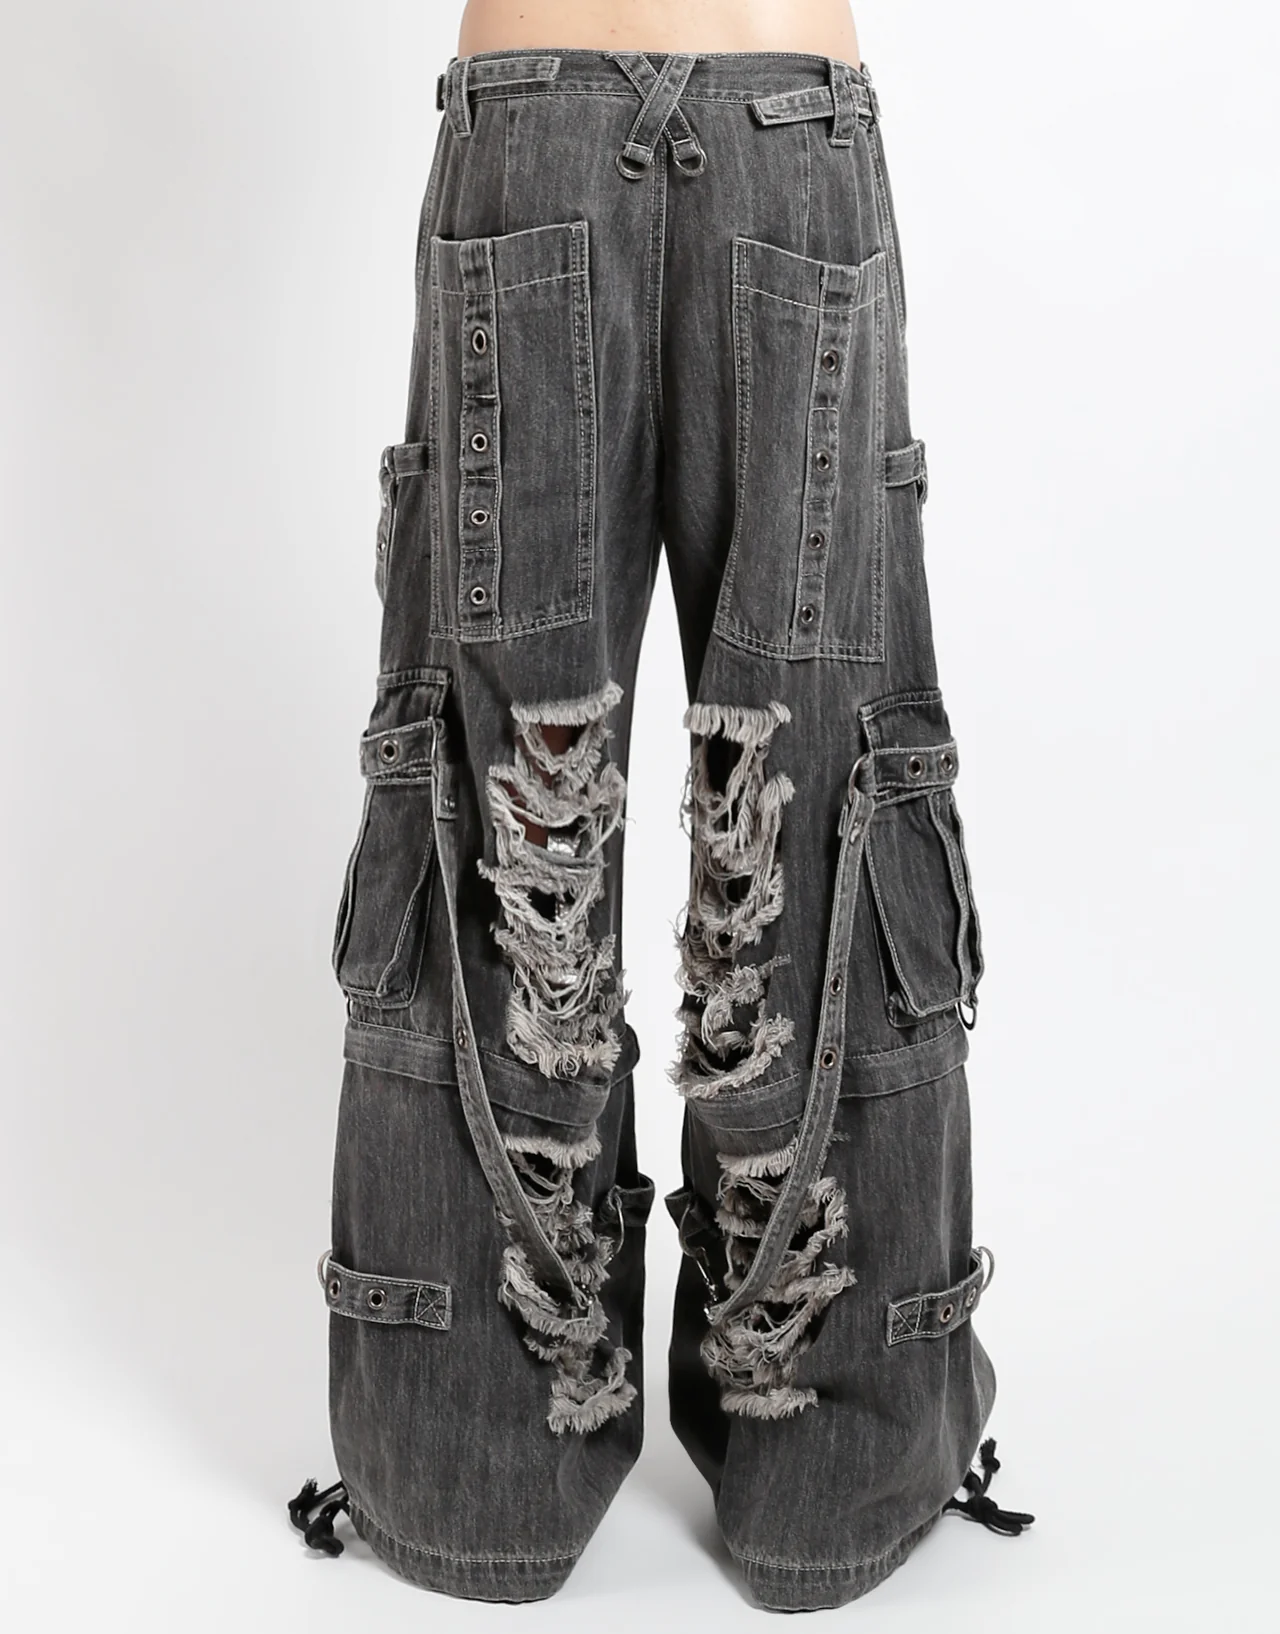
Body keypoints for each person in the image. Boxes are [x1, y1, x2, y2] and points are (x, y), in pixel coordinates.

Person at [289, 0, 1035, 1609]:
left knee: (513, 803)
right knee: (805, 794)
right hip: (790, 115)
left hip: (537, 114)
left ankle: (473, 1447)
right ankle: (825, 1458)